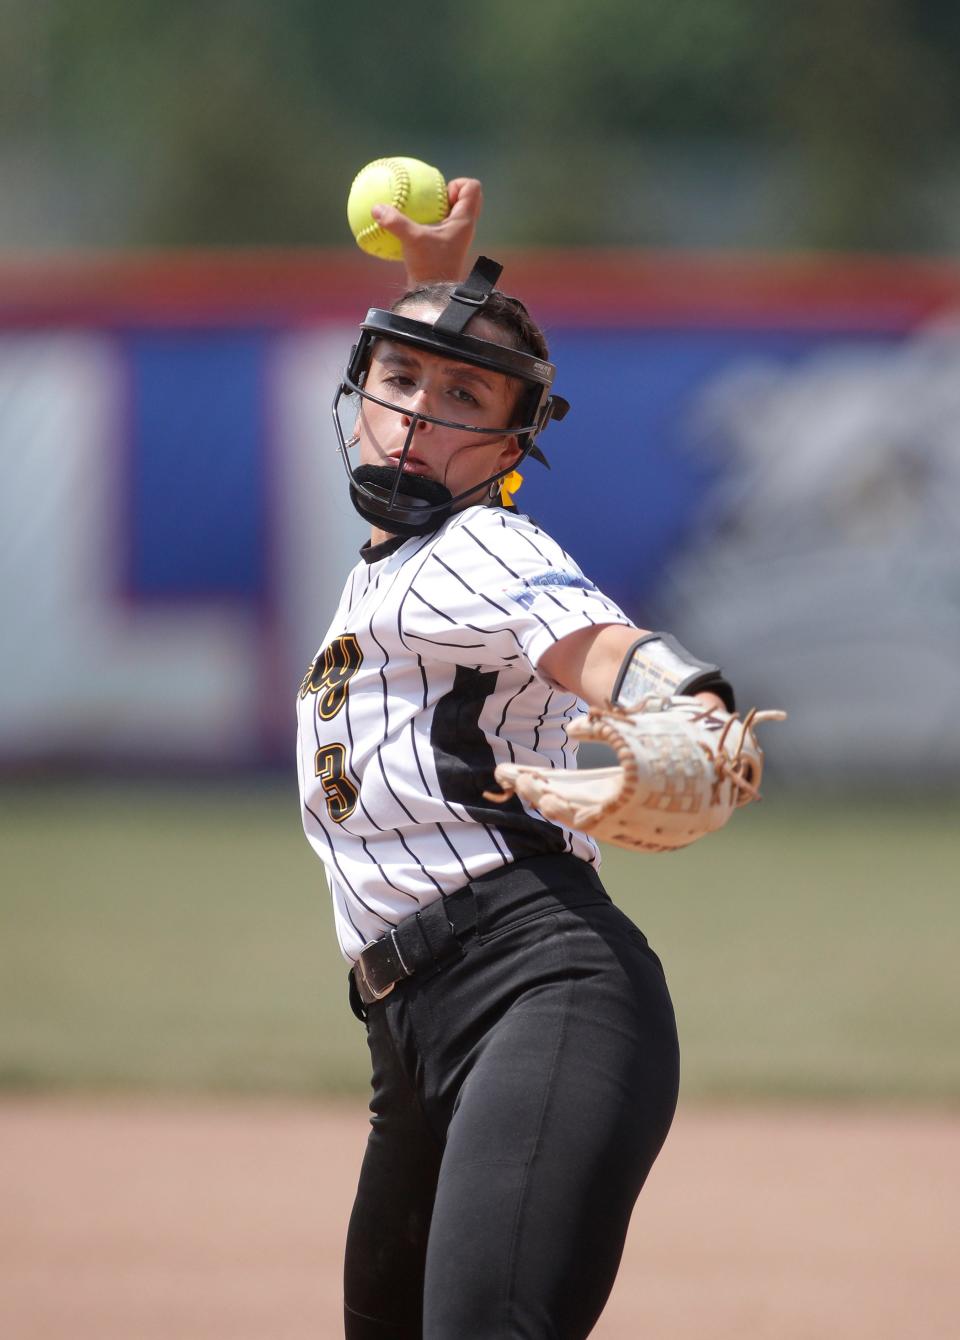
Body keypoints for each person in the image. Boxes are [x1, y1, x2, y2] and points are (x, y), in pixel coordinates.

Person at [297, 179, 734, 1338]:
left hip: (540, 991)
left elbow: (619, 659)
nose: (415, 417)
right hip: (412, 1033)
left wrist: (688, 716)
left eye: (462, 397)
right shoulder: (394, 559)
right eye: (397, 380)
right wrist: (433, 286)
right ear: (360, 388)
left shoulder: (481, 543)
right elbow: (430, 407)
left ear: (512, 439)